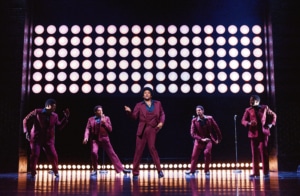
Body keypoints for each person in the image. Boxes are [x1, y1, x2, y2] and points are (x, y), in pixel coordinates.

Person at [124, 87, 165, 178]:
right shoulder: (139, 105)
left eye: (148, 92)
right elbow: (134, 117)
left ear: (151, 94)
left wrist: (161, 122)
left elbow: (162, 114)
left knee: (152, 148)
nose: (146, 94)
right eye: (145, 93)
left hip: (152, 128)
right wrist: (129, 112)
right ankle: (135, 172)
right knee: (138, 150)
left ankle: (159, 171)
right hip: (142, 129)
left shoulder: (158, 103)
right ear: (143, 95)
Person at [23, 98, 70, 178]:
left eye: (55, 107)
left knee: (53, 155)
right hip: (36, 138)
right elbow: (25, 120)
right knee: (35, 155)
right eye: (53, 106)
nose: (55, 108)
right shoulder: (37, 112)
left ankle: (56, 172)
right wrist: (26, 132)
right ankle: (33, 173)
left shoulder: (55, 115)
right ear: (48, 106)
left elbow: (59, 126)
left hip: (48, 140)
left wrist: (65, 118)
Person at [83, 105, 131, 176]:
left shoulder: (106, 118)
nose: (101, 111)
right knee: (94, 152)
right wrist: (86, 137)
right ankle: (95, 169)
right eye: (99, 110)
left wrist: (104, 122)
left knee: (112, 154)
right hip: (95, 139)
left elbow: (110, 129)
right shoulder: (91, 119)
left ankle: (122, 169)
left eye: (102, 110)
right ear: (95, 112)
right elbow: (87, 129)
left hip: (104, 138)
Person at [241, 94, 277, 178]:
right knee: (254, 154)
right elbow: (243, 120)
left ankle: (265, 172)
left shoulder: (264, 108)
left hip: (263, 134)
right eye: (250, 100)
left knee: (264, 153)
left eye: (252, 100)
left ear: (257, 101)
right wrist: (249, 123)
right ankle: (256, 172)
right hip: (253, 134)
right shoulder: (248, 110)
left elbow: (274, 115)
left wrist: (271, 124)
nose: (250, 102)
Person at [185, 105, 222, 176]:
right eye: (196, 111)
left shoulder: (210, 118)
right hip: (199, 141)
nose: (198, 112)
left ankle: (207, 170)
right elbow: (192, 133)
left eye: (199, 110)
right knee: (194, 156)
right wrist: (201, 139)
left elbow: (216, 128)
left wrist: (218, 139)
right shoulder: (194, 120)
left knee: (207, 153)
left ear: (203, 111)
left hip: (208, 140)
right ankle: (192, 170)